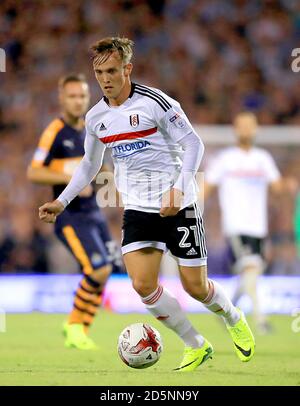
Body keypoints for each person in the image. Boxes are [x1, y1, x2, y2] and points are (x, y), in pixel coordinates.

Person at [38, 37, 255, 371]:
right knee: (142, 285)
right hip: (138, 208)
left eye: (112, 71)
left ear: (127, 69)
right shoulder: (97, 118)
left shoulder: (156, 103)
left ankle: (233, 316)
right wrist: (61, 200)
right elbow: (89, 165)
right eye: (99, 73)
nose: (105, 79)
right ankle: (196, 345)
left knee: (195, 287)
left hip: (179, 204)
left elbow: (193, 144)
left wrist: (180, 190)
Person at [28, 74, 123, 350]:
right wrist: (66, 171)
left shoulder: (90, 130)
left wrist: (111, 180)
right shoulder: (54, 131)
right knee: (98, 269)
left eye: (82, 96)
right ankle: (74, 326)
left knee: (107, 270)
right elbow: (33, 171)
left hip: (94, 213)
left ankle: (80, 328)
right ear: (61, 98)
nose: (78, 101)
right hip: (70, 216)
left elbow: (99, 167)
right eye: (72, 96)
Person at [204, 111, 297, 333]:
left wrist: (288, 185)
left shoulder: (262, 158)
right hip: (236, 225)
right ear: (235, 130)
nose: (246, 129)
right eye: (242, 125)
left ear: (256, 130)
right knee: (251, 268)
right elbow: (206, 187)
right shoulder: (226, 159)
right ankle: (260, 321)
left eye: (250, 125)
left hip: (258, 227)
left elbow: (276, 187)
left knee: (249, 274)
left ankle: (224, 309)